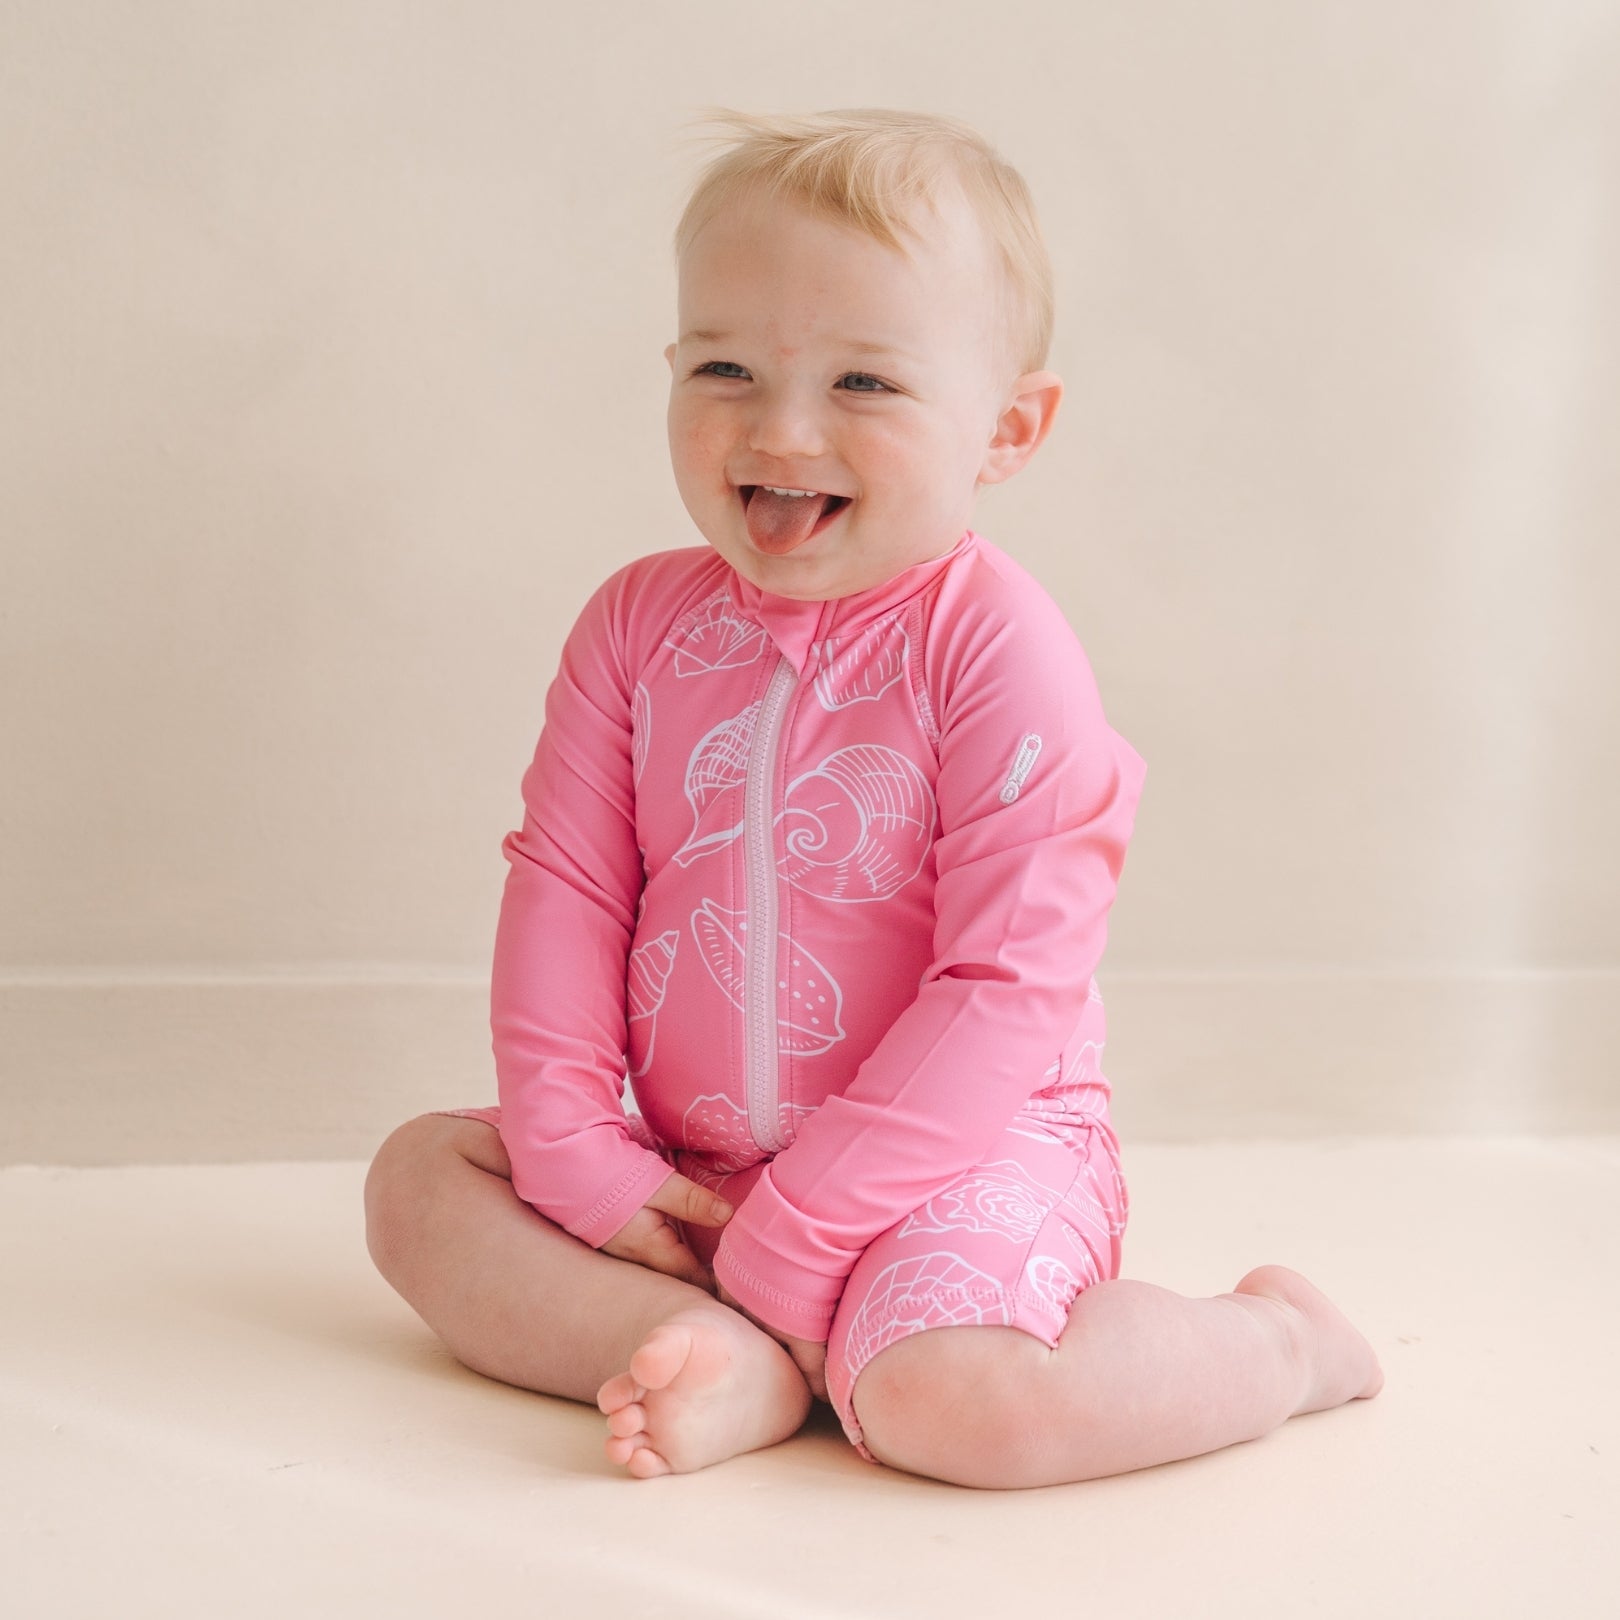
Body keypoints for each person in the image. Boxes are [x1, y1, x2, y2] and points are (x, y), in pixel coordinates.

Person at [363, 108, 1383, 1488]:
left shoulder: (997, 650)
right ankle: (708, 1352)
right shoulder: (636, 628)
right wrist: (580, 1157)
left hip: (957, 1165)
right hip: (690, 1169)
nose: (780, 428)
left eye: (864, 382)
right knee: (420, 1185)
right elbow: (569, 888)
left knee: (957, 1406)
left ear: (1006, 429)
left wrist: (805, 1234)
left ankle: (1279, 1346)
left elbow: (1004, 987)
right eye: (725, 366)